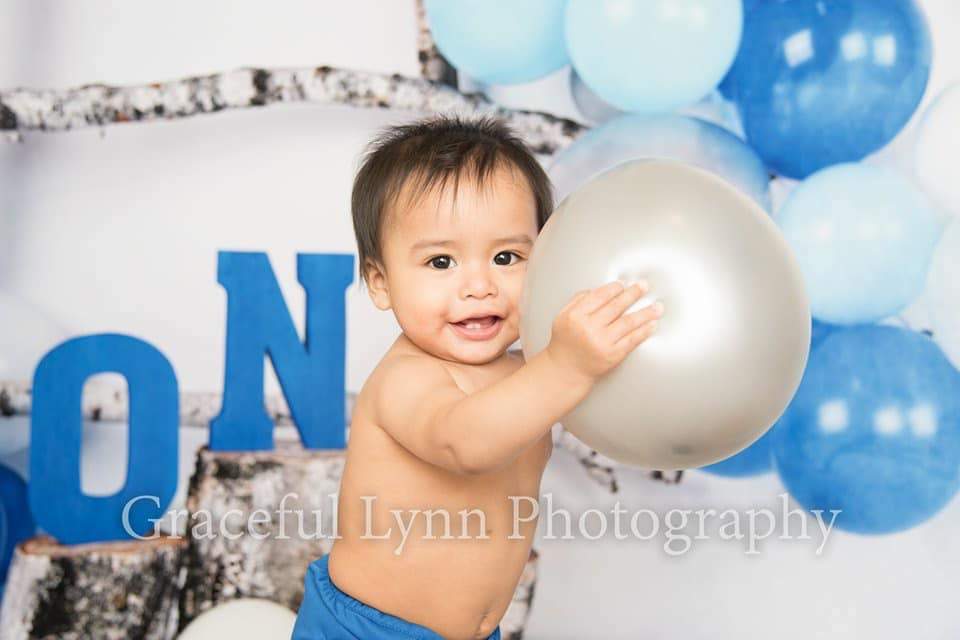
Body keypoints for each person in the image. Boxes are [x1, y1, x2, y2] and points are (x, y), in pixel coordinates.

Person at [292, 114, 663, 640]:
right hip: (368, 631)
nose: (479, 285)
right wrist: (568, 364)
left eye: (506, 256)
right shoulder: (406, 379)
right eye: (441, 261)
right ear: (381, 281)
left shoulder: (534, 371)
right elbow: (467, 442)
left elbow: (604, 405)